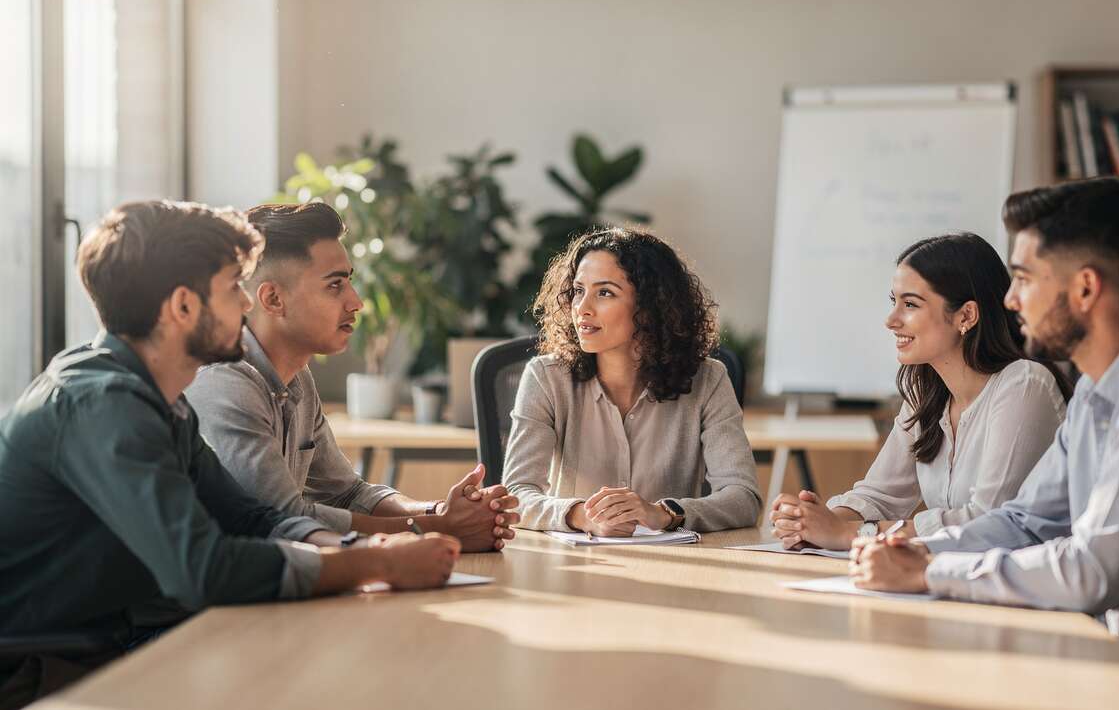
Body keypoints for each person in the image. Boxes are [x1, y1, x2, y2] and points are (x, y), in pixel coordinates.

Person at [0, 201, 459, 705]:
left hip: (109, 646)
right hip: (45, 672)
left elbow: (250, 517)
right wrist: (377, 566)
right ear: (182, 306)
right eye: (232, 288)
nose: (246, 305)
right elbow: (202, 569)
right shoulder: (104, 405)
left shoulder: (159, 398)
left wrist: (359, 552)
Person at [850, 178, 1119, 647]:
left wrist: (931, 571)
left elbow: (1094, 571)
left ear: (1085, 289)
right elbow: (1024, 522)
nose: (1011, 300)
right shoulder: (1099, 389)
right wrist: (910, 550)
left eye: (1025, 279)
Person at [186, 202, 517, 552]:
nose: (356, 302)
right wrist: (435, 528)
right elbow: (283, 520)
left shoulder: (298, 379)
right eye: (334, 286)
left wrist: (439, 511)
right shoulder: (226, 382)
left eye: (349, 283)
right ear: (273, 299)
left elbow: (348, 493)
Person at [770, 233, 1070, 549]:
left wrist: (851, 534)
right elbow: (880, 495)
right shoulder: (925, 390)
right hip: (959, 580)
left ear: (966, 316)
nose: (891, 320)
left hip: (1023, 588)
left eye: (910, 304)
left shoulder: (1024, 385)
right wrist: (814, 521)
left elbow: (987, 522)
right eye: (894, 302)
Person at [503, 227, 762, 535]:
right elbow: (516, 494)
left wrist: (665, 514)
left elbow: (743, 498)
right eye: (578, 290)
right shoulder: (546, 378)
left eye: (605, 293)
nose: (582, 308)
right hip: (575, 564)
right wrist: (580, 516)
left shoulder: (708, 380)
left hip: (676, 566)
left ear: (651, 308)